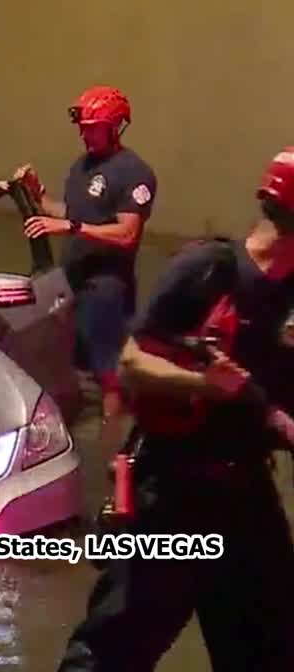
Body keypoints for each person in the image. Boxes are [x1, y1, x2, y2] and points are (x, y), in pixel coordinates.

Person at [55, 148, 294, 671]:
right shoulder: (209, 269)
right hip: (171, 491)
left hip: (247, 495)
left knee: (271, 650)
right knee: (111, 650)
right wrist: (205, 385)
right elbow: (133, 361)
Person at [16, 85, 157, 437]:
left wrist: (71, 226)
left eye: (91, 127)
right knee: (66, 361)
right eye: (82, 126)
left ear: (114, 127)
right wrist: (40, 195)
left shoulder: (134, 172)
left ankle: (114, 442)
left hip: (105, 287)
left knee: (108, 370)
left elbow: (127, 233)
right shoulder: (81, 167)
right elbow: (72, 214)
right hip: (71, 281)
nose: (84, 133)